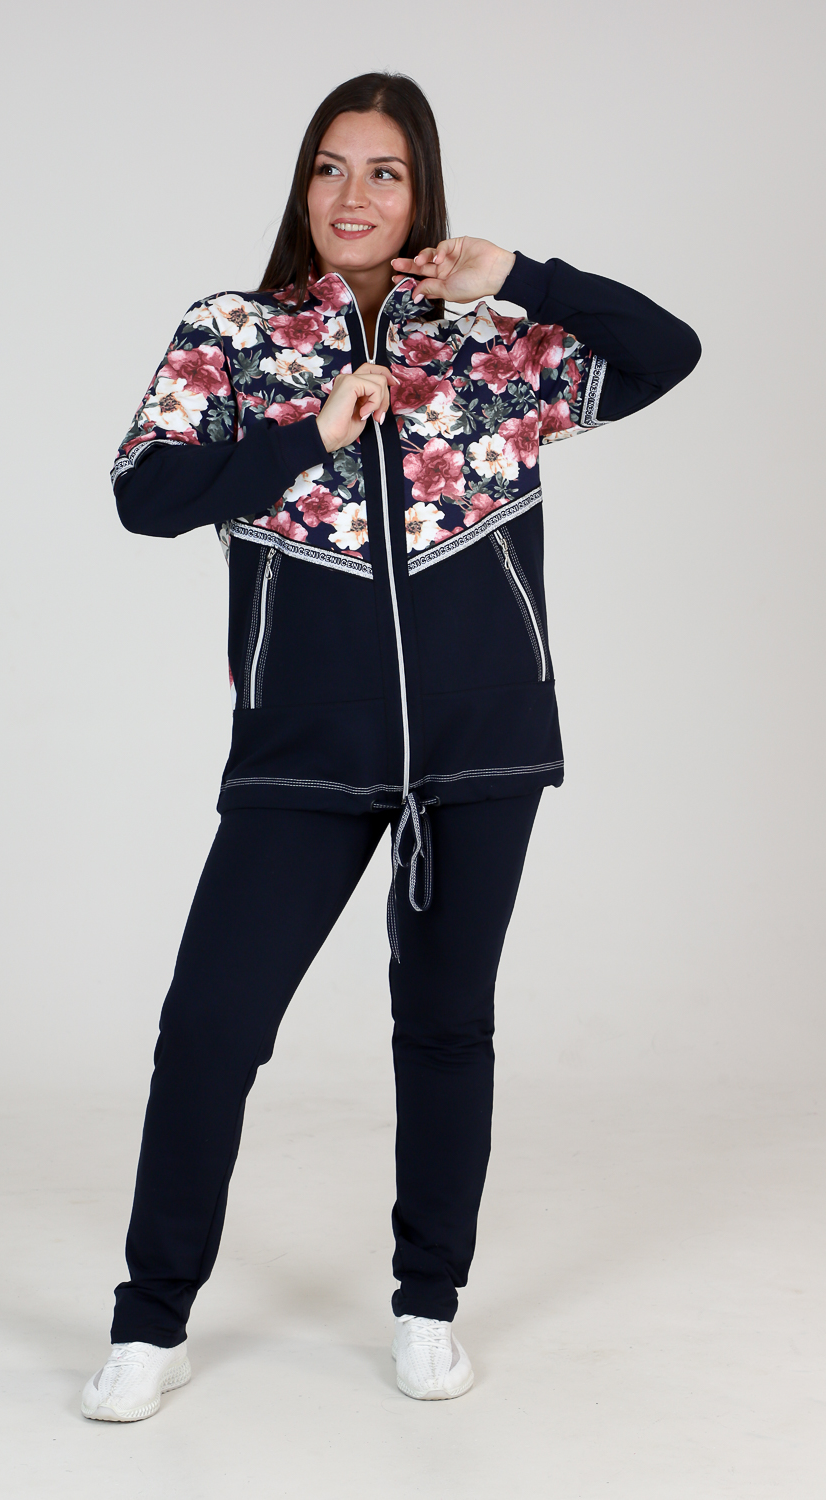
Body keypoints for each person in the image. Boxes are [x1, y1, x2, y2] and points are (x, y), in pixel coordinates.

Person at [80, 71, 701, 1421]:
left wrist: (518, 278)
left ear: (421, 193)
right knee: (210, 1029)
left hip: (481, 747)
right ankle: (150, 1322)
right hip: (304, 749)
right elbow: (145, 493)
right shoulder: (235, 334)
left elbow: (668, 352)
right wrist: (305, 433)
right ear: (301, 187)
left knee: (446, 1028)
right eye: (329, 167)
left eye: (384, 171)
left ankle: (429, 1307)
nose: (352, 195)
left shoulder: (489, 345)